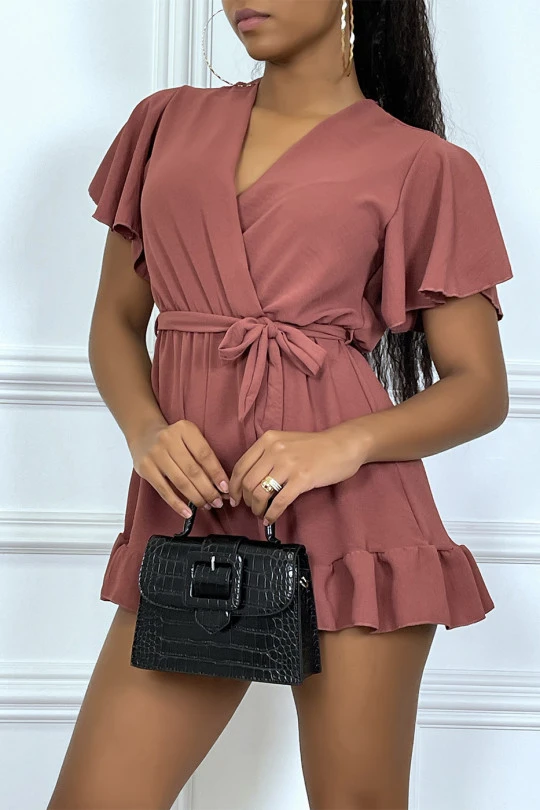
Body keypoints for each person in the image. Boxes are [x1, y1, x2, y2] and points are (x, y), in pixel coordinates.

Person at [48, 2, 513, 808]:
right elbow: (116, 322)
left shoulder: (425, 165)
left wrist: (342, 444)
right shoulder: (163, 125)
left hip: (356, 533)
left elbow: (481, 388)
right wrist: (145, 430)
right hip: (192, 517)